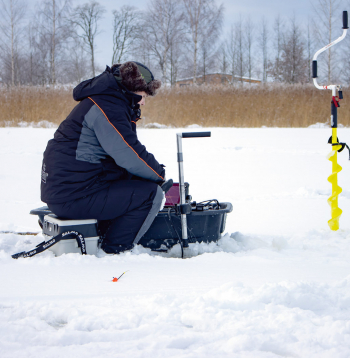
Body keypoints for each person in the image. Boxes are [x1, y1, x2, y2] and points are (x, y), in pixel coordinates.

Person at [40, 61, 170, 254]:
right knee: (151, 195)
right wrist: (159, 175)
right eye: (142, 96)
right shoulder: (108, 107)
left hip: (69, 191)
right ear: (130, 90)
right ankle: (115, 250)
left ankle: (105, 236)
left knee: (132, 182)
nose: (143, 102)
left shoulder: (102, 100)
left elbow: (117, 157)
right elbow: (129, 153)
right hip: (74, 195)